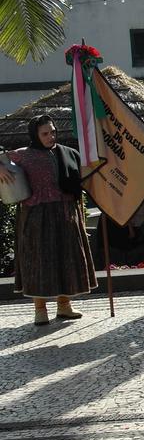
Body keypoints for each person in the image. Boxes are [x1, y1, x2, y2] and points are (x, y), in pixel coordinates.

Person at [1, 116, 95, 325]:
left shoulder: (67, 153)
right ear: (35, 134)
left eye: (53, 132)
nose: (51, 136)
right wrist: (0, 168)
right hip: (37, 215)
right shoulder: (24, 155)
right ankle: (40, 310)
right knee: (38, 261)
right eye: (45, 133)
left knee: (66, 258)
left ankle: (64, 306)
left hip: (65, 211)